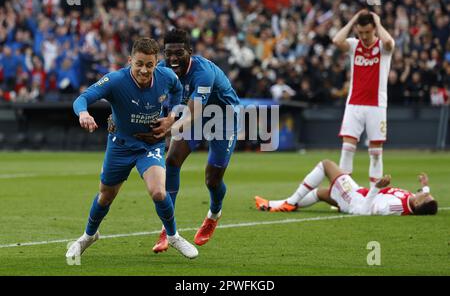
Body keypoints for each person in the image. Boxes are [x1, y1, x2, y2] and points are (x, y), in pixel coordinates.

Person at [66, 37, 198, 260]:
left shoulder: (166, 77)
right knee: (105, 196)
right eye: (139, 64)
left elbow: (177, 91)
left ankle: (173, 236)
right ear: (130, 61)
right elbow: (82, 98)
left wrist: (171, 116)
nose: (144, 70)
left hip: (150, 143)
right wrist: (84, 113)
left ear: (156, 63)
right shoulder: (115, 80)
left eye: (149, 65)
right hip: (120, 146)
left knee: (158, 191)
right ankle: (88, 236)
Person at [119, 28, 241, 253]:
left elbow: (193, 113)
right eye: (169, 53)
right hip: (190, 114)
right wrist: (116, 116)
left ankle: (214, 213)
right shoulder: (162, 69)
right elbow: (130, 87)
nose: (173, 59)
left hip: (222, 116)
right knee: (172, 160)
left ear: (190, 52)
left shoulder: (203, 72)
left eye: (179, 53)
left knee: (212, 180)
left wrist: (166, 130)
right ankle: (168, 229)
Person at [332, 10, 395, 188]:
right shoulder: (353, 45)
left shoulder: (383, 48)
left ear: (374, 29)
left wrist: (378, 21)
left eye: (368, 32)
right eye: (361, 33)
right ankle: (345, 195)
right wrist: (352, 20)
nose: (365, 36)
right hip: (354, 104)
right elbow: (336, 40)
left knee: (375, 153)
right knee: (347, 150)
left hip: (377, 105)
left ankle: (374, 196)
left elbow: (389, 41)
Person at [255, 159, 438, 216]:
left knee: (326, 165)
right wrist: (425, 186)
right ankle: (272, 204)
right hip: (356, 194)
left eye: (423, 196)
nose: (421, 193)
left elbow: (365, 211)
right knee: (321, 193)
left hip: (355, 200)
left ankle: (289, 202)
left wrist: (377, 187)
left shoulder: (393, 207)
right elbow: (425, 196)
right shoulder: (414, 201)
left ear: (418, 205)